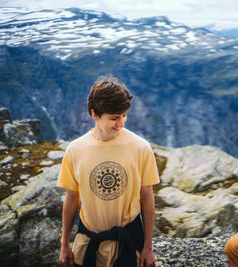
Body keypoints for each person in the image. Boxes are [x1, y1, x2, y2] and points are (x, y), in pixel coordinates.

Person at [57, 76, 160, 267]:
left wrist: (148, 247)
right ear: (94, 114)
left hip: (130, 243)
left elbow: (147, 196)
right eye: (114, 118)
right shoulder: (75, 150)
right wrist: (64, 244)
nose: (121, 123)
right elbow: (72, 198)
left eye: (124, 116)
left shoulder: (141, 148)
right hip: (88, 243)